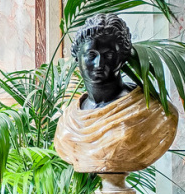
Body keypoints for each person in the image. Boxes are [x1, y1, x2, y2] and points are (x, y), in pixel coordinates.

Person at [54, 14, 178, 175]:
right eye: (91, 55)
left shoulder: (155, 111)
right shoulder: (68, 120)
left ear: (122, 58)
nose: (99, 64)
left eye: (108, 55)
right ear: (77, 58)